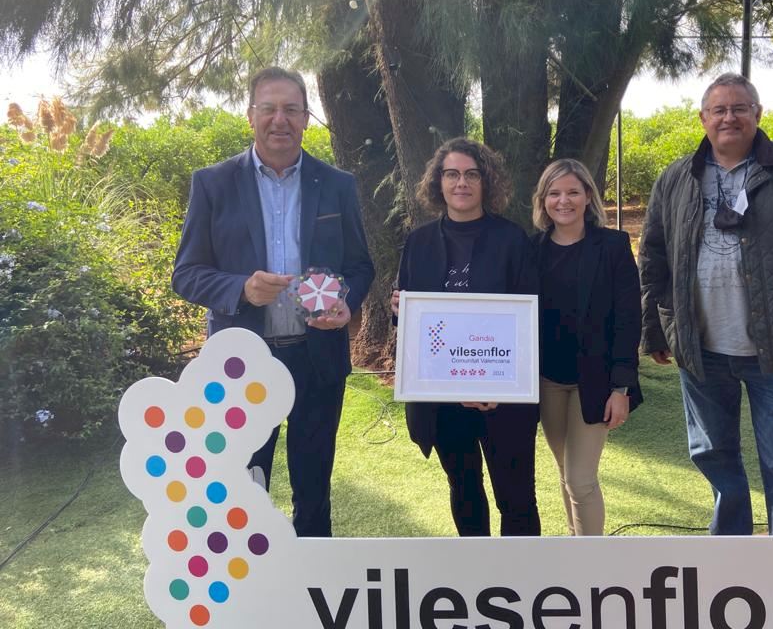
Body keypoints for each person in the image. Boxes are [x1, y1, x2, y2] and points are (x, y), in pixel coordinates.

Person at [638, 72, 773, 536]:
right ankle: (731, 556)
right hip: (700, 349)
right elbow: (653, 257)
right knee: (714, 457)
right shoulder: (676, 178)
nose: (728, 117)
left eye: (739, 108)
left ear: (757, 114)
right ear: (703, 118)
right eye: (719, 110)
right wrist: (654, 330)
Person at [172, 66, 375, 537]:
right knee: (241, 488)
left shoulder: (337, 184)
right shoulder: (213, 184)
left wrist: (346, 303)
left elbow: (360, 266)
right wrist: (240, 288)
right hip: (242, 365)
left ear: (305, 118)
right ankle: (244, 580)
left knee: (314, 488)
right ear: (251, 115)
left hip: (317, 358)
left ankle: (313, 576)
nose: (279, 119)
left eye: (291, 109)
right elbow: (186, 274)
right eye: (269, 108)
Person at [391, 137, 540, 537]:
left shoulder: (512, 240)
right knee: (464, 488)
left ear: (486, 181)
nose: (462, 182)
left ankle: (525, 574)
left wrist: (497, 387)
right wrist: (399, 310)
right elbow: (409, 321)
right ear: (438, 182)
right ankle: (476, 573)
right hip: (442, 399)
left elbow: (529, 321)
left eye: (472, 174)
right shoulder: (419, 242)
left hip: (503, 398)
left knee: (516, 497)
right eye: (452, 174)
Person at [530, 159, 642, 536]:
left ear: (588, 196)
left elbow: (628, 320)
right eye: (554, 193)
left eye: (573, 192)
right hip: (547, 380)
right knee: (566, 472)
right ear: (543, 200)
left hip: (595, 382)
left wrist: (621, 388)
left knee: (580, 478)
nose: (563, 201)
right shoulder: (532, 250)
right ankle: (575, 548)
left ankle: (592, 560)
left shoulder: (612, 246)